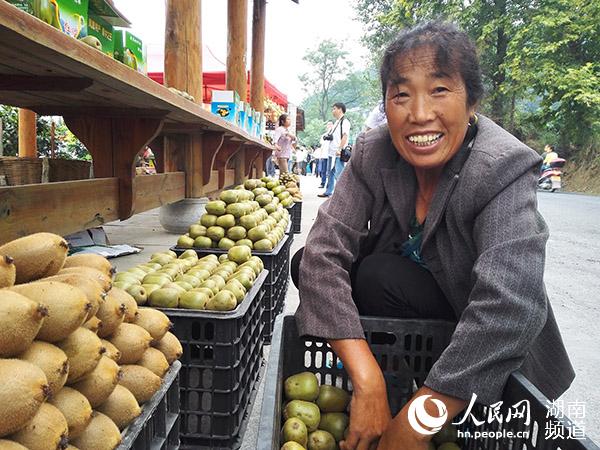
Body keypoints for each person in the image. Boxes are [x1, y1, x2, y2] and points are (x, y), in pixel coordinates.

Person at [292, 21, 574, 450]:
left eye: (440, 90)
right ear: (385, 104)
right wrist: (367, 381)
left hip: (481, 338)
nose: (419, 113)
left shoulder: (501, 167)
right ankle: (390, 384)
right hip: (416, 308)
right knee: (331, 267)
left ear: (472, 101)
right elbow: (323, 253)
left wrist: (421, 418)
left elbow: (511, 305)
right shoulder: (375, 150)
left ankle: (436, 395)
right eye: (401, 94)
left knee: (379, 277)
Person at [319, 103, 351, 197]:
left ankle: (342, 194)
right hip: (331, 152)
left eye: (334, 109)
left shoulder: (345, 121)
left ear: (340, 110)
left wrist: (340, 149)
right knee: (331, 173)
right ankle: (329, 191)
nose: (333, 111)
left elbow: (345, 136)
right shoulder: (337, 122)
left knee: (339, 174)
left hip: (338, 152)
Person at [317, 122, 334, 187]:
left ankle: (329, 185)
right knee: (323, 170)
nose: (329, 126)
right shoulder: (324, 135)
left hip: (330, 154)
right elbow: (322, 146)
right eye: (328, 125)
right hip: (324, 155)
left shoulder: (333, 134)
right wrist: (320, 155)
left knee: (329, 171)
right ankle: (323, 182)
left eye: (331, 125)